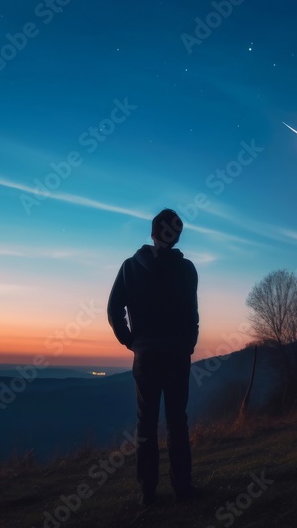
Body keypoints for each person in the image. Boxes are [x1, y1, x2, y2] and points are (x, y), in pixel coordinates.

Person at [107, 208, 200, 506]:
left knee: (146, 423)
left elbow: (113, 310)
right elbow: (192, 316)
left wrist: (131, 342)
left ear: (152, 232)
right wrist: (188, 345)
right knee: (177, 422)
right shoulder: (187, 270)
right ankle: (182, 488)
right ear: (176, 235)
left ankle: (147, 492)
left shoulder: (130, 267)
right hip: (176, 356)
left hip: (146, 356)